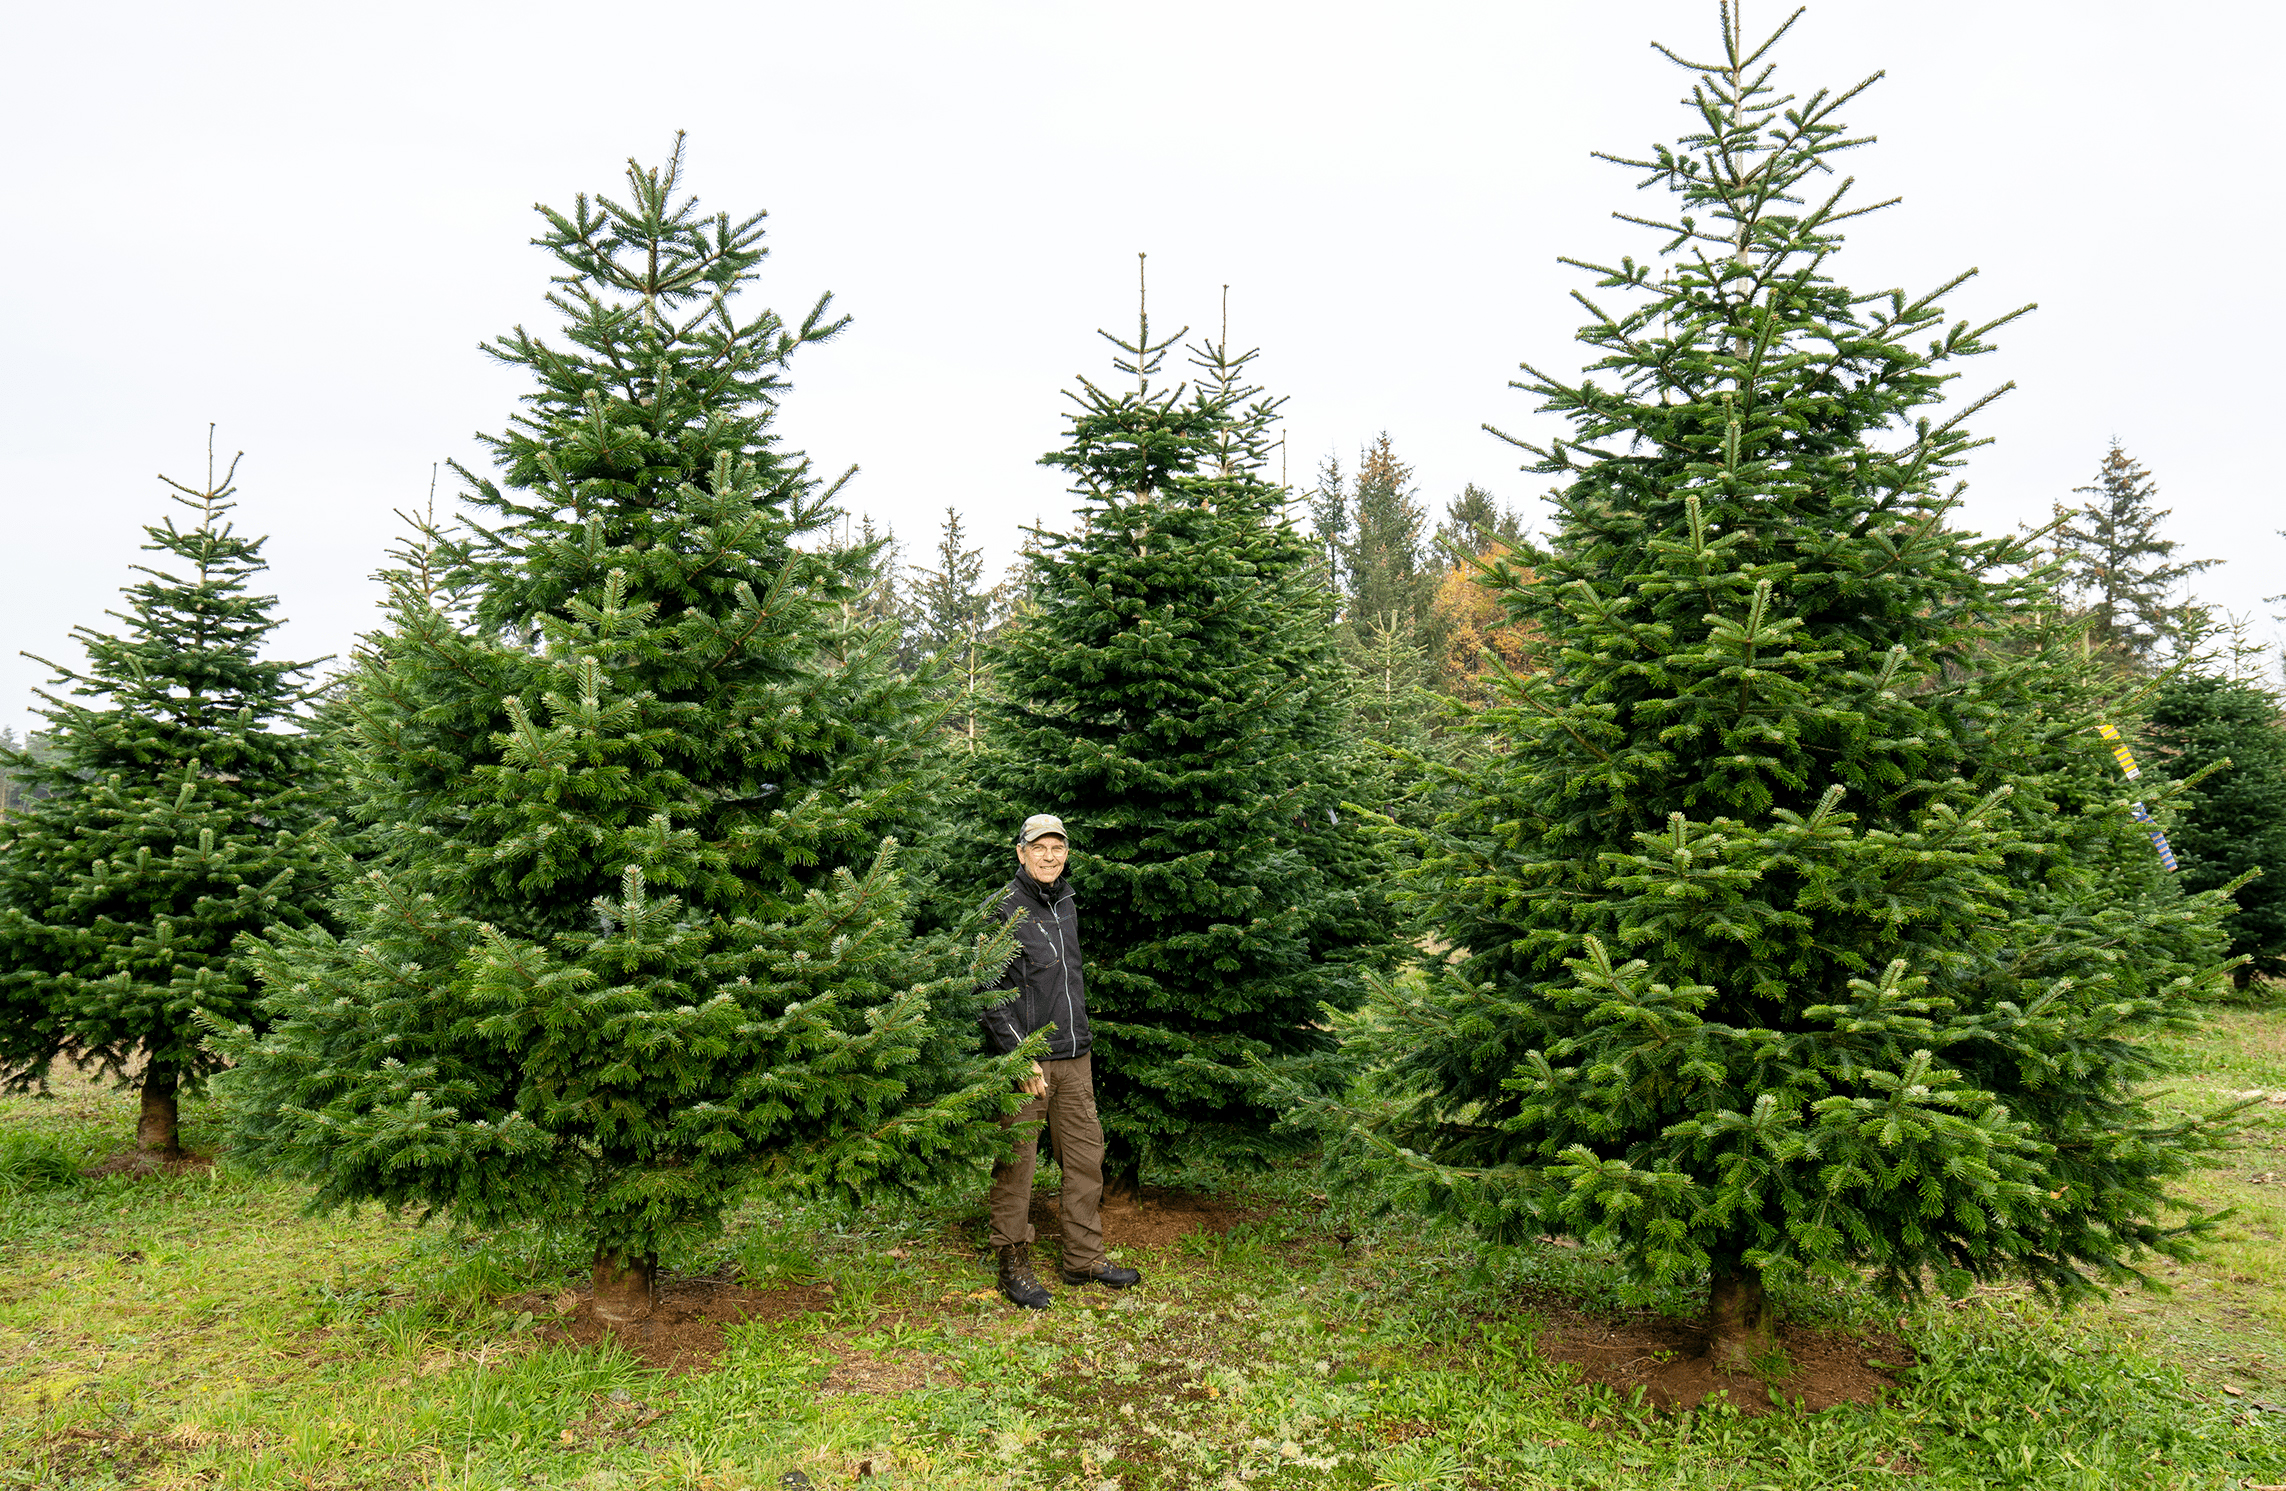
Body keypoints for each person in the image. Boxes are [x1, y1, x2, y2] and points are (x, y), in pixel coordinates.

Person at [981, 812, 1142, 1308]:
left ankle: (1083, 1257)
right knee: (1018, 1163)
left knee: (1085, 1155)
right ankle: (1011, 1258)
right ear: (1021, 852)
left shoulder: (1066, 901)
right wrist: (1018, 1054)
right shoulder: (1001, 909)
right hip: (1026, 1061)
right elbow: (987, 990)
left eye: (1058, 849)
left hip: (1075, 1056)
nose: (1050, 857)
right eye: (1040, 848)